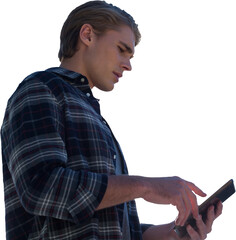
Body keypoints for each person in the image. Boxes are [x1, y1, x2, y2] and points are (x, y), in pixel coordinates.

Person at [1, 1, 222, 240]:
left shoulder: (96, 120)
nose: (128, 65)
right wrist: (146, 186)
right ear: (87, 35)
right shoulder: (40, 89)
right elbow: (41, 187)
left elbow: (111, 227)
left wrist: (175, 233)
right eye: (121, 49)